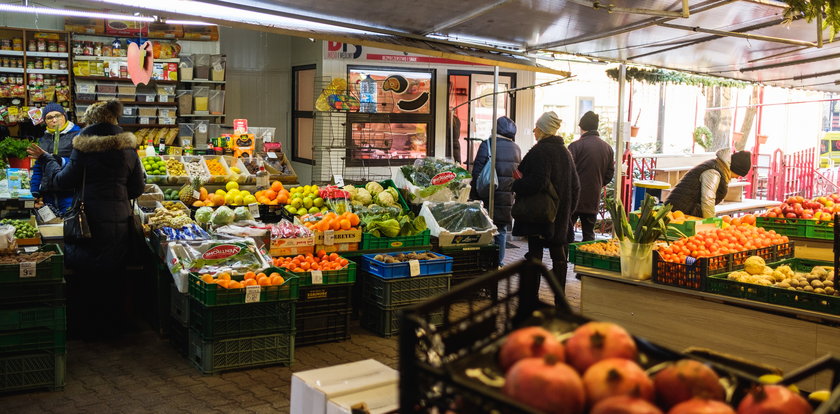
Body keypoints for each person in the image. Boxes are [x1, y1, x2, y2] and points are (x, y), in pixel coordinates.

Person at [30, 100, 145, 339]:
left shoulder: (82, 147)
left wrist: (49, 161)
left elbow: (63, 181)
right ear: (114, 119)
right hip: (119, 222)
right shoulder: (128, 148)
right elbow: (136, 189)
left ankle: (87, 326)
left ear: (91, 121)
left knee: (88, 273)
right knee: (115, 273)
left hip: (87, 221)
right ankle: (116, 326)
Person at [512, 111, 580, 303]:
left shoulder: (540, 152)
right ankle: (560, 300)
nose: (534, 130)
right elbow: (576, 186)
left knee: (535, 256)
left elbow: (536, 182)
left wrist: (516, 185)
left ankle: (530, 298)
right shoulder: (565, 153)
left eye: (537, 127)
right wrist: (567, 212)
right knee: (559, 257)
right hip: (559, 217)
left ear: (542, 130)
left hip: (539, 216)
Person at [469, 116, 522, 263]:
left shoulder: (488, 144)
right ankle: (498, 263)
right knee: (501, 232)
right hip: (506, 198)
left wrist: (473, 197)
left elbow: (477, 172)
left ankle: (483, 264)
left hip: (487, 196)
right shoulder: (516, 148)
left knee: (483, 231)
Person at [568, 111, 614, 242]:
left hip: (574, 198)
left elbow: (567, 171)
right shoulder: (607, 148)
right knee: (589, 235)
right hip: (593, 197)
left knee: (567, 232)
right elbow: (609, 173)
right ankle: (586, 261)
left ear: (582, 127)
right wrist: (598, 183)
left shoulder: (575, 146)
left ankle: (564, 260)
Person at [666, 148, 752, 218]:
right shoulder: (713, 172)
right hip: (679, 214)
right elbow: (708, 199)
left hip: (683, 211)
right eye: (739, 174)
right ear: (734, 168)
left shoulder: (717, 166)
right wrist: (711, 222)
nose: (738, 177)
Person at [31, 103, 81, 216]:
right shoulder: (44, 139)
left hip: (69, 191)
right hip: (49, 193)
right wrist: (35, 189)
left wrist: (61, 160)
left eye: (57, 115)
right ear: (45, 121)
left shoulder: (78, 135)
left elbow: (80, 163)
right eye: (49, 117)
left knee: (70, 225)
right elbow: (39, 166)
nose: (54, 120)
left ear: (64, 116)